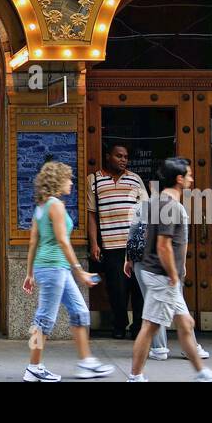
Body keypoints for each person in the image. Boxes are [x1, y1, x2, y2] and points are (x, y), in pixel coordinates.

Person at [128, 158, 212, 383]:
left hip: (160, 274)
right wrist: (173, 274)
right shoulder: (170, 205)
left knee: (186, 324)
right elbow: (163, 245)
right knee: (149, 326)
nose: (191, 178)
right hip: (162, 275)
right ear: (178, 179)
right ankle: (135, 376)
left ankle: (202, 374)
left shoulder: (159, 201)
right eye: (188, 175)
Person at [23, 160, 115, 381]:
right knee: (44, 319)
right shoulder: (55, 205)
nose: (72, 182)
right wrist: (79, 271)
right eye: (69, 178)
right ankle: (33, 367)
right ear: (58, 180)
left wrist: (29, 273)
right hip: (55, 268)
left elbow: (33, 242)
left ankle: (86, 363)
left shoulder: (41, 207)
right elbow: (63, 241)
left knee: (80, 312)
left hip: (52, 268)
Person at [86, 144, 146, 339]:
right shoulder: (94, 180)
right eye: (119, 156)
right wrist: (94, 243)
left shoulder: (135, 179)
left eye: (126, 156)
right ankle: (119, 325)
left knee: (138, 290)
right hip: (111, 245)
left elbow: (145, 212)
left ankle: (137, 327)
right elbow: (92, 215)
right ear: (108, 157)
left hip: (135, 245)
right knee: (117, 291)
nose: (123, 160)